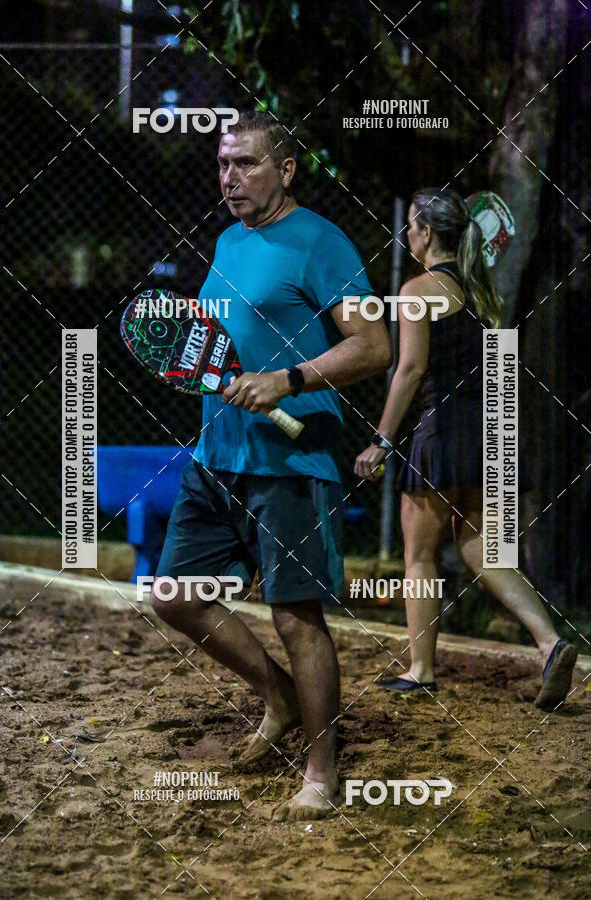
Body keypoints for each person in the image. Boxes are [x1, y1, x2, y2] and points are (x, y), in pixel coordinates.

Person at [150, 110, 392, 818]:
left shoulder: (322, 242)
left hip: (292, 460)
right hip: (216, 457)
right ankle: (278, 697)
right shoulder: (227, 239)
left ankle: (322, 770)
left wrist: (288, 381)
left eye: (247, 163)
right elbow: (219, 344)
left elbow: (373, 346)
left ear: (286, 170)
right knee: (173, 595)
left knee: (296, 618)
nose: (230, 178)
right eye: (223, 164)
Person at [354, 187, 577, 711]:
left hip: (443, 429)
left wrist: (381, 441)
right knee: (481, 549)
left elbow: (409, 371)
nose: (406, 234)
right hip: (490, 426)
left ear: (427, 233)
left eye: (410, 225)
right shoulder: (483, 291)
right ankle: (550, 642)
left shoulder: (416, 290)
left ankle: (421, 669)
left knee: (419, 554)